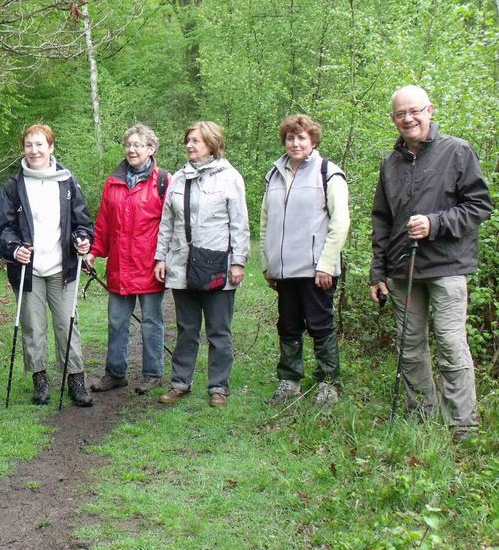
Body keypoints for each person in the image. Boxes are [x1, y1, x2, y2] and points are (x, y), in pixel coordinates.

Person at [370, 85, 492, 442]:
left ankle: (462, 424)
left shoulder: (457, 151)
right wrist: (378, 271)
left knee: (451, 344)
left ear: (430, 110)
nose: (408, 118)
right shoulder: (390, 162)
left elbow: (479, 206)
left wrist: (436, 223)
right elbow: (381, 219)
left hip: (447, 266)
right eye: (400, 114)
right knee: (409, 346)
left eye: (415, 111)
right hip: (401, 269)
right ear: (393, 119)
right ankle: (421, 413)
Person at [0, 124, 94, 407]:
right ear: (23, 148)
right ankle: (40, 380)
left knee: (67, 325)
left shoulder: (67, 182)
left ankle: (75, 379)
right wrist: (15, 249)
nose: (34, 150)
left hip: (62, 268)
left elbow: (82, 224)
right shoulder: (13, 186)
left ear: (51, 147)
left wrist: (82, 240)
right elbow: (3, 229)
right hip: (28, 270)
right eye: (29, 145)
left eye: (40, 144)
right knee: (32, 327)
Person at [154, 121, 249, 408]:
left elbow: (240, 225)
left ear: (212, 144)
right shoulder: (179, 179)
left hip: (217, 265)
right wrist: (161, 257)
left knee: (219, 330)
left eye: (195, 140)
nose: (189, 145)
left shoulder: (230, 178)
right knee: (186, 328)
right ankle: (180, 382)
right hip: (182, 264)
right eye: (188, 140)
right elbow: (167, 223)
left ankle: (218, 387)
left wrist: (239, 262)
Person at [261, 115, 350, 406]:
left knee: (320, 325)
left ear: (313, 141)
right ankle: (289, 381)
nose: (295, 143)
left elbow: (340, 222)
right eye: (290, 138)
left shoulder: (328, 173)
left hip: (316, 270)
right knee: (288, 326)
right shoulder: (275, 174)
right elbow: (266, 222)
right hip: (284, 270)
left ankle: (328, 383)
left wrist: (326, 263)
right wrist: (268, 262)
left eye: (301, 138)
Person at [84, 124, 169, 396]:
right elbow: (104, 224)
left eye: (138, 145)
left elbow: (172, 225)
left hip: (150, 266)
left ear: (151, 149)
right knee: (117, 322)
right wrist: (94, 252)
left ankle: (153, 374)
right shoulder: (113, 182)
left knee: (152, 322)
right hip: (120, 267)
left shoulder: (164, 181)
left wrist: (164, 259)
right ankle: (115, 373)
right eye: (128, 144)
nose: (131, 149)